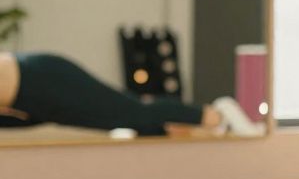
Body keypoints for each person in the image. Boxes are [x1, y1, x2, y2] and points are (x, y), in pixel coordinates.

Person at [0, 51, 260, 137]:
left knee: (131, 111)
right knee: (126, 120)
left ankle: (216, 114)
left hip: (41, 78)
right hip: (30, 101)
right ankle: (183, 125)